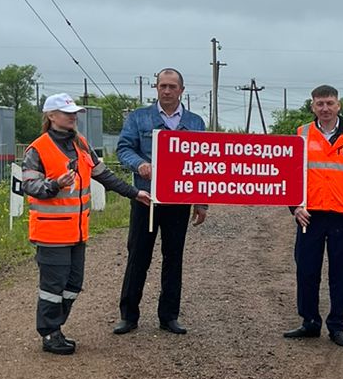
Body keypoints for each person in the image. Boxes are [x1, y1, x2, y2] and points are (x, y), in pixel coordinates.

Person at [19, 93, 149, 355]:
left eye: (74, 112)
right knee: (53, 287)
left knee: (73, 285)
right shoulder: (38, 149)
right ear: (51, 116)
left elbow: (105, 176)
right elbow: (29, 185)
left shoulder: (81, 144)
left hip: (77, 232)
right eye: (67, 113)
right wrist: (56, 184)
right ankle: (50, 333)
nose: (73, 116)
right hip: (51, 231)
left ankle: (56, 326)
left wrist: (135, 193)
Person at [114, 68, 207, 335]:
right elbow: (124, 148)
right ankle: (128, 316)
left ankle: (169, 317)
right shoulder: (139, 117)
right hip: (145, 199)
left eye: (172, 86)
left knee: (173, 258)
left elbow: (203, 165)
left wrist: (201, 203)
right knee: (138, 257)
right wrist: (140, 164)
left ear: (181, 90)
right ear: (156, 88)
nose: (166, 91)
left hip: (179, 202)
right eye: (162, 86)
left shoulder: (196, 122)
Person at [284, 85, 343, 346]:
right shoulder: (301, 134)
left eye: (330, 103)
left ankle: (337, 325)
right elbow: (290, 175)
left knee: (340, 273)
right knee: (307, 271)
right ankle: (309, 322)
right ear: (312, 106)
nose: (325, 108)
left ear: (339, 105)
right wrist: (295, 208)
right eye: (320, 103)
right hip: (309, 215)